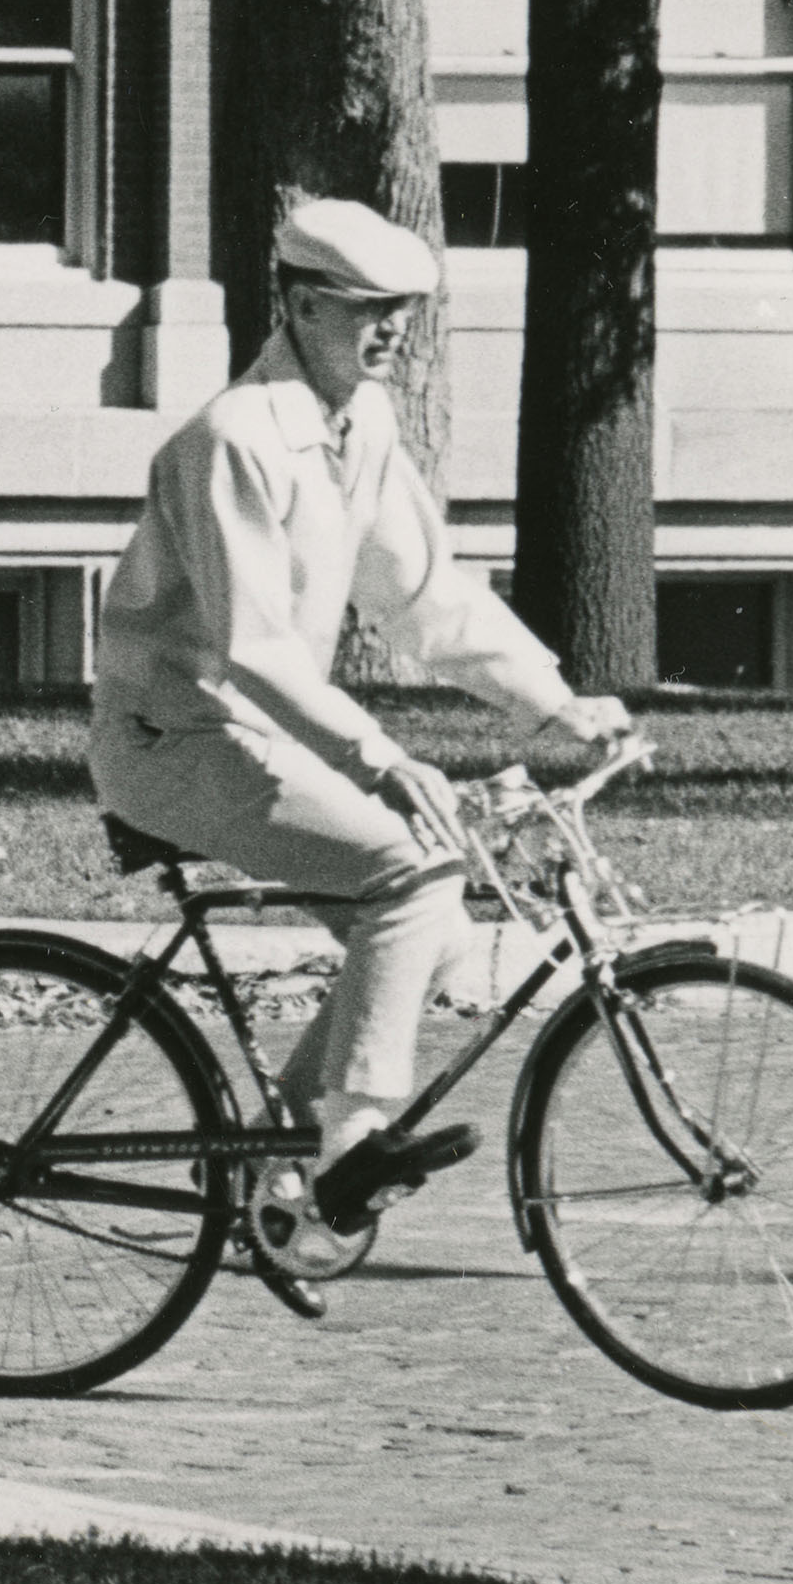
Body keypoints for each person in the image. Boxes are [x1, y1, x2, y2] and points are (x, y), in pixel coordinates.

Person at [87, 194, 628, 1268]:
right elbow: (253, 648)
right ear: (295, 305)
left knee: (427, 917)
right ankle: (351, 1138)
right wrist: (381, 756)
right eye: (364, 307)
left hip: (256, 737)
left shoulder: (360, 424)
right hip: (171, 734)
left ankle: (270, 1167)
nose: (389, 331)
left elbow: (421, 593)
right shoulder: (228, 439)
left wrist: (552, 699)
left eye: (404, 311)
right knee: (413, 873)